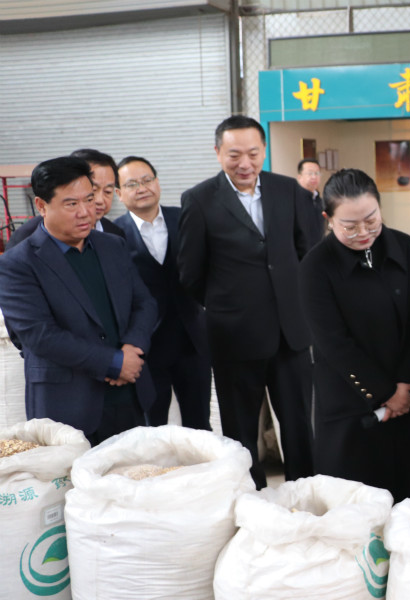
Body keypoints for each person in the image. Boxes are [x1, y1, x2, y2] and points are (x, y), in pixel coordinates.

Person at [178, 115, 317, 489]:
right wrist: (229, 306)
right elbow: (190, 274)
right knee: (240, 430)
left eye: (253, 153)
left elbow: (308, 253)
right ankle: (250, 496)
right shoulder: (199, 199)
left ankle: (306, 494)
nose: (245, 163)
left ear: (264, 151)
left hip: (290, 334)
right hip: (234, 336)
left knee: (299, 424)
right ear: (217, 152)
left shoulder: (288, 191)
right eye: (234, 154)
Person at [299, 168, 410, 502]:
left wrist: (405, 383)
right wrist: (384, 393)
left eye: (371, 220)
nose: (363, 232)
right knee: (354, 503)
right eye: (350, 226)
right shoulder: (316, 266)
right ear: (328, 219)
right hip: (350, 400)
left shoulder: (404, 247)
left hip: (405, 395)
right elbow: (332, 341)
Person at [0, 156, 157, 446]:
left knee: (132, 471)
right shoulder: (18, 263)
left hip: (128, 394)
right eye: (71, 204)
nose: (85, 212)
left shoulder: (113, 246)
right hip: (66, 405)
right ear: (41, 205)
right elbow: (38, 335)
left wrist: (133, 348)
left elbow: (144, 303)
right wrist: (113, 363)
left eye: (89, 199)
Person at [115, 156, 211, 430]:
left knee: (199, 423)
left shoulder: (185, 218)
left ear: (157, 182)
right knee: (151, 428)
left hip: (192, 340)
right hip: (146, 347)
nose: (142, 188)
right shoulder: (114, 234)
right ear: (119, 193)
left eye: (147, 180)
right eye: (132, 184)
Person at [7, 149, 124, 249]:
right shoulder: (24, 239)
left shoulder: (116, 234)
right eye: (93, 191)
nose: (100, 200)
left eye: (108, 191)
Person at [296, 158, 326, 243]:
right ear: (299, 177)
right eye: (310, 173)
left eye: (317, 173)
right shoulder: (294, 200)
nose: (314, 177)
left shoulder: (320, 201)